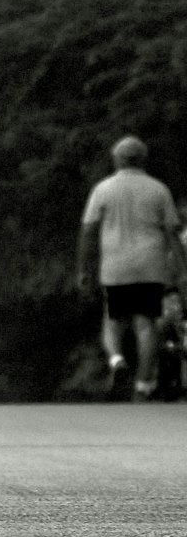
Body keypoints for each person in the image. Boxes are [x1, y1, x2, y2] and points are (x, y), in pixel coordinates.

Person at [77, 135, 187, 398]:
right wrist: (183, 269)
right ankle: (142, 384)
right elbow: (173, 232)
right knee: (145, 324)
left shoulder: (103, 189)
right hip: (150, 265)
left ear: (116, 159)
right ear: (143, 159)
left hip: (115, 266)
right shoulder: (158, 189)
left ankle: (117, 361)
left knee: (113, 321)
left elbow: (88, 231)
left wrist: (84, 269)